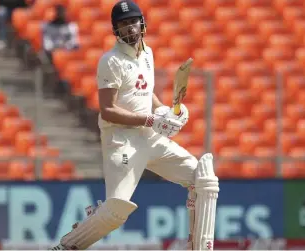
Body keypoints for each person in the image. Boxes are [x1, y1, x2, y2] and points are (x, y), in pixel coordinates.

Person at [50, 1, 220, 250]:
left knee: (203, 179)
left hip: (150, 138)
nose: (130, 28)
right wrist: (151, 119)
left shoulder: (148, 53)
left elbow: (145, 92)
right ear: (115, 30)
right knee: (115, 212)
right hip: (123, 141)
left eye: (133, 22)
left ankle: (199, 247)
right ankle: (66, 246)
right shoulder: (111, 61)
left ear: (142, 23)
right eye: (123, 24)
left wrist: (164, 111)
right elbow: (108, 111)